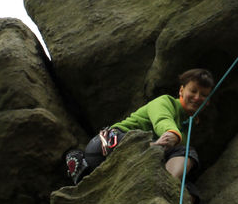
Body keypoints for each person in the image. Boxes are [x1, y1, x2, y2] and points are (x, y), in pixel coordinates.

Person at [64, 68, 215, 186]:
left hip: (129, 156)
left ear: (207, 101)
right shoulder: (165, 102)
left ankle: (168, 185)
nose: (196, 97)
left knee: (188, 176)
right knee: (185, 150)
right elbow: (162, 120)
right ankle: (164, 184)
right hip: (110, 144)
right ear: (181, 90)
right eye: (193, 91)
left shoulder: (187, 127)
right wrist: (172, 133)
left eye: (203, 95)